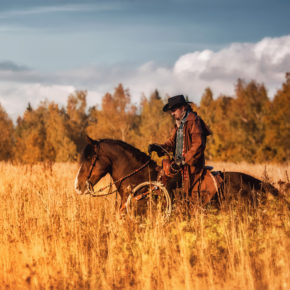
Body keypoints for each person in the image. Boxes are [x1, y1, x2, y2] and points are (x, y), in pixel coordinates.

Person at [148, 94, 211, 196]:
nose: (172, 113)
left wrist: (183, 160)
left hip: (191, 167)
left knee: (169, 186)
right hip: (178, 166)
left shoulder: (194, 121)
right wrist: (158, 147)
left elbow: (198, 145)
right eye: (171, 111)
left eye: (174, 110)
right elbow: (171, 143)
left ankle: (171, 212)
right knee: (158, 180)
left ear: (183, 108)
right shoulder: (179, 124)